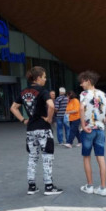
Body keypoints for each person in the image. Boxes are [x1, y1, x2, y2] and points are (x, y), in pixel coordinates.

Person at [10, 66, 63, 196]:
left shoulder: (24, 92)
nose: (45, 80)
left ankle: (31, 186)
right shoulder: (42, 91)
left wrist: (23, 120)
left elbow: (13, 107)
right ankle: (49, 186)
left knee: (32, 157)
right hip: (43, 128)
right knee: (47, 157)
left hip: (31, 129)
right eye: (44, 77)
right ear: (38, 78)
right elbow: (51, 105)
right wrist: (49, 119)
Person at [78, 70, 106, 197]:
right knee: (101, 157)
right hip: (100, 129)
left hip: (88, 129)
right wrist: (104, 121)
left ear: (88, 80)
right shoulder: (103, 94)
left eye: (82, 82)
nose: (81, 84)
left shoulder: (84, 94)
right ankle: (103, 187)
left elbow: (81, 108)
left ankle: (89, 186)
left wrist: (83, 125)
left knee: (87, 157)